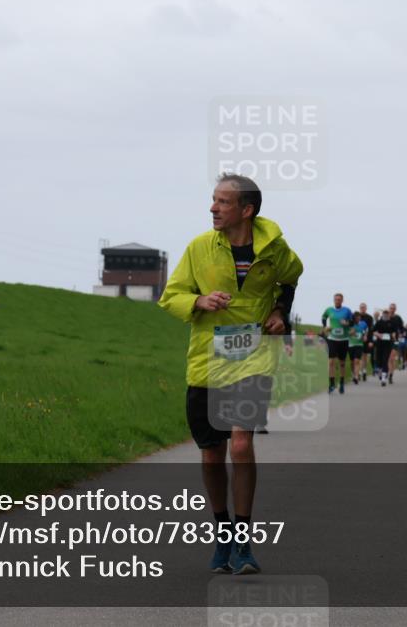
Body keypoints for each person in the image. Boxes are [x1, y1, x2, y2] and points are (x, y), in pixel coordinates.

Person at [159, 173, 302, 575]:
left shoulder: (274, 249)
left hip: (253, 357)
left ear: (246, 210)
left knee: (240, 445)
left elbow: (291, 278)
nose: (213, 208)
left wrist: (280, 311)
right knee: (211, 454)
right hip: (208, 359)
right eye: (213, 200)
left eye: (222, 202)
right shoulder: (199, 248)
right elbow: (171, 296)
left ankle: (243, 539)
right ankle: (222, 531)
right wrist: (199, 300)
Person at [321, 293, 352, 394]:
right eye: (336, 299)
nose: (337, 301)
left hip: (344, 339)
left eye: (339, 299)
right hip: (332, 339)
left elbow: (352, 322)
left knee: (342, 363)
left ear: (342, 300)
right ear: (334, 300)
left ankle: (342, 383)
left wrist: (346, 323)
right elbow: (324, 317)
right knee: (331, 362)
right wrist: (325, 326)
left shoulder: (347, 311)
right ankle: (332, 384)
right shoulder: (329, 310)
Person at [370, 309, 397, 387]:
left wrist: (393, 335)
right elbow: (373, 331)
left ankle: (384, 379)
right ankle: (380, 372)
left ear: (389, 315)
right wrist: (378, 334)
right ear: (382, 315)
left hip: (388, 344)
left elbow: (394, 331)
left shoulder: (392, 323)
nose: (385, 315)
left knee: (385, 360)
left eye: (387, 314)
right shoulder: (379, 322)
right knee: (379, 360)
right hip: (379, 343)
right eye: (384, 314)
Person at [347, 311, 368, 384]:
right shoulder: (350, 325)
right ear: (354, 318)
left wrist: (365, 336)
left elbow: (366, 330)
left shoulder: (363, 324)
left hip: (359, 345)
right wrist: (350, 333)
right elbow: (345, 333)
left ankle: (356, 376)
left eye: (359, 318)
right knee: (352, 362)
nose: (358, 319)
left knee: (357, 361)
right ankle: (353, 374)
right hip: (351, 345)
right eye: (356, 318)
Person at [386, 303, 404, 382]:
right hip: (386, 340)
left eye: (393, 308)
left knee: (392, 358)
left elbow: (402, 328)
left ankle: (390, 375)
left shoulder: (398, 318)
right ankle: (386, 371)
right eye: (391, 308)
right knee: (387, 358)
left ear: (395, 309)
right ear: (389, 308)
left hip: (395, 340)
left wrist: (400, 334)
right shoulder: (385, 317)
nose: (392, 310)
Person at [357, 302, 375, 381]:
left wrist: (370, 341)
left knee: (365, 356)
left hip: (367, 339)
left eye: (364, 307)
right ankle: (359, 372)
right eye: (361, 307)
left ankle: (364, 370)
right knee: (359, 356)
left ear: (366, 308)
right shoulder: (356, 316)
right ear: (359, 308)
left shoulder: (369, 317)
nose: (362, 309)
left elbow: (371, 330)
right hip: (358, 339)